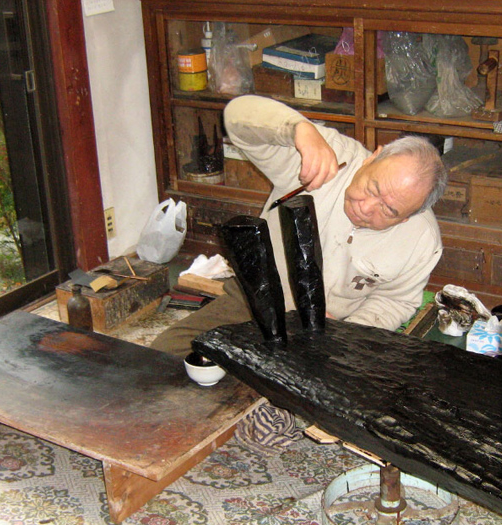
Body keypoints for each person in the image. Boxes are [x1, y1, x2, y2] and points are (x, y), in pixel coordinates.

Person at [151, 94, 446, 358]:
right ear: (374, 157)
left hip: (333, 330)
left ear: (409, 216)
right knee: (165, 356)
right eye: (372, 187)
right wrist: (299, 129)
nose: (366, 207)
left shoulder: (421, 239)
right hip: (256, 300)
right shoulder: (326, 156)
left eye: (389, 209)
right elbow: (236, 116)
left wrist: (347, 331)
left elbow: (395, 301)